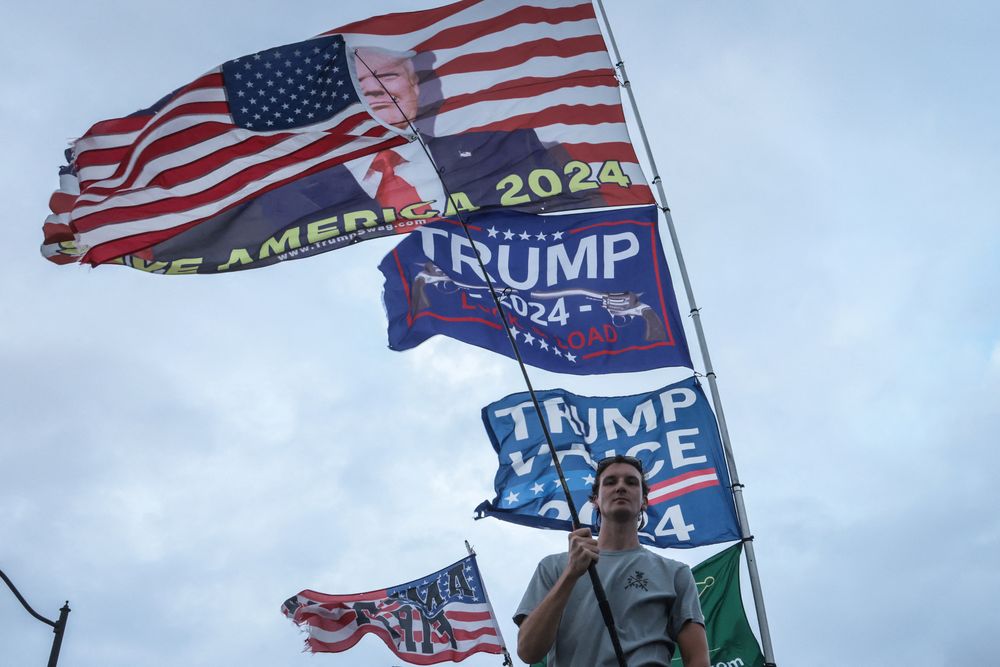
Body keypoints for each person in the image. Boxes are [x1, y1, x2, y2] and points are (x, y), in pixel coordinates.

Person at [514, 455, 711, 667]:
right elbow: (528, 652)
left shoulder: (675, 573)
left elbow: (698, 659)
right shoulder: (553, 567)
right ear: (595, 500)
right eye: (610, 482)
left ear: (644, 501)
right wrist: (571, 573)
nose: (620, 487)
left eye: (631, 482)